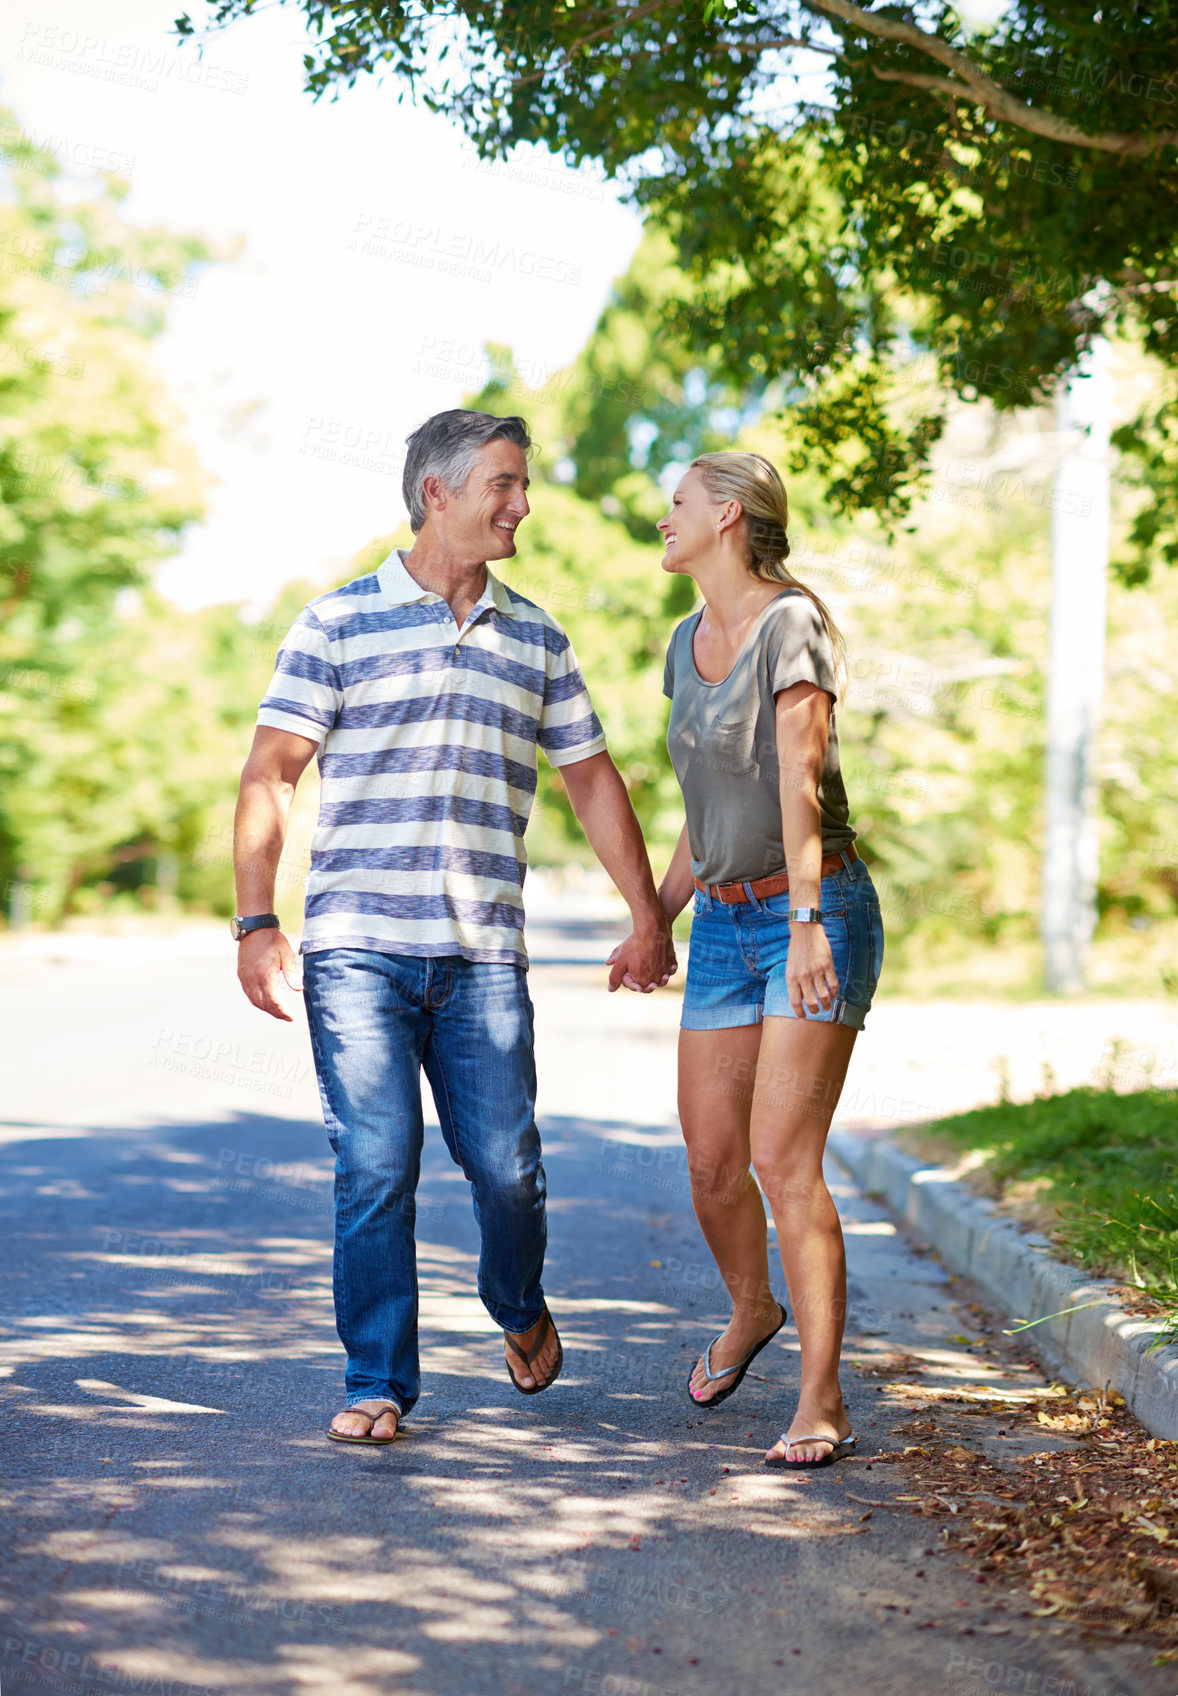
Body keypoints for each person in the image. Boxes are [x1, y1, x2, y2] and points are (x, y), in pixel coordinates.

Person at [232, 408, 674, 1445]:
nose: (521, 505)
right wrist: (256, 922)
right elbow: (270, 776)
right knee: (377, 1160)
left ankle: (516, 1302)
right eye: (503, 486)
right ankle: (376, 1379)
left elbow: (593, 783)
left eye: (521, 487)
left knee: (508, 1166)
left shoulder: (536, 635)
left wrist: (645, 913)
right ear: (437, 492)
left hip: (482, 955)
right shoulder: (335, 623)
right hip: (356, 948)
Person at [613, 450, 883, 1469]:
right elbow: (704, 812)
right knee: (712, 1163)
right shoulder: (684, 643)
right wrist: (654, 917)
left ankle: (821, 1400)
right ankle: (750, 1304)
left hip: (813, 913)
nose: (661, 518)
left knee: (781, 1157)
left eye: (674, 502)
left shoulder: (790, 625)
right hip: (723, 927)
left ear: (724, 515)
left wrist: (808, 918)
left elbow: (798, 784)